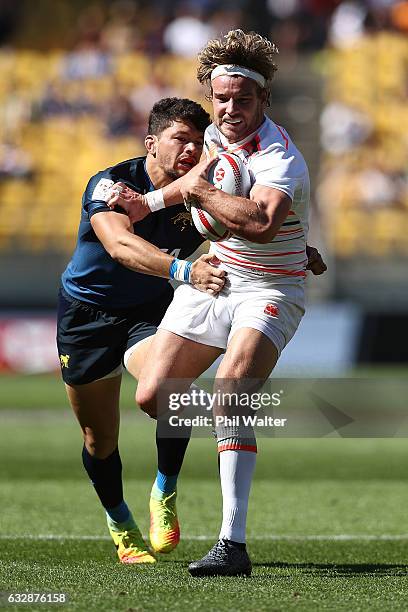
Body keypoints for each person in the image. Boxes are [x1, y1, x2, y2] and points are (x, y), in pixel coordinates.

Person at [111, 29, 323, 577]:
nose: (230, 109)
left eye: (242, 100)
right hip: (217, 278)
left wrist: (203, 192)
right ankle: (172, 476)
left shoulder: (280, 156)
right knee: (154, 396)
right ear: (211, 97)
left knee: (229, 394)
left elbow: (259, 221)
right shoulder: (212, 138)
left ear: (264, 101)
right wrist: (147, 203)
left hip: (271, 288)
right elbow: (194, 185)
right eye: (221, 99)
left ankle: (233, 544)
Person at [56, 97, 226, 565]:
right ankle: (119, 522)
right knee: (99, 439)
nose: (192, 150)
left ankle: (164, 492)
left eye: (199, 141)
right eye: (181, 140)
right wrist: (187, 271)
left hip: (151, 311)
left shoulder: (203, 191)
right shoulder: (111, 184)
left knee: (172, 391)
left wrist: (300, 247)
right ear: (152, 144)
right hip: (87, 317)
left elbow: (249, 221)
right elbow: (120, 245)